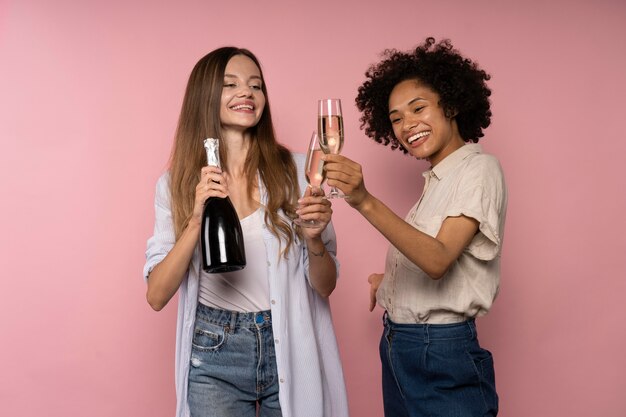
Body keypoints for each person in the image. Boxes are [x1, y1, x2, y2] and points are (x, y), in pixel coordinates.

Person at [143, 47, 349, 417]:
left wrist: (315, 239)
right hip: (214, 350)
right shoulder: (174, 185)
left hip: (288, 339)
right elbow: (157, 295)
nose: (247, 93)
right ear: (205, 96)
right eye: (231, 84)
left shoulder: (298, 172)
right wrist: (194, 221)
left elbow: (325, 285)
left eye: (256, 85)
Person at [323, 37, 507, 417]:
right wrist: (389, 280)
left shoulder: (478, 170)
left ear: (452, 105)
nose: (407, 125)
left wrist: (364, 200)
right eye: (396, 119)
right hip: (401, 343)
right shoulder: (439, 179)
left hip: (439, 350)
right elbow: (432, 251)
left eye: (418, 108)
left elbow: (438, 260)